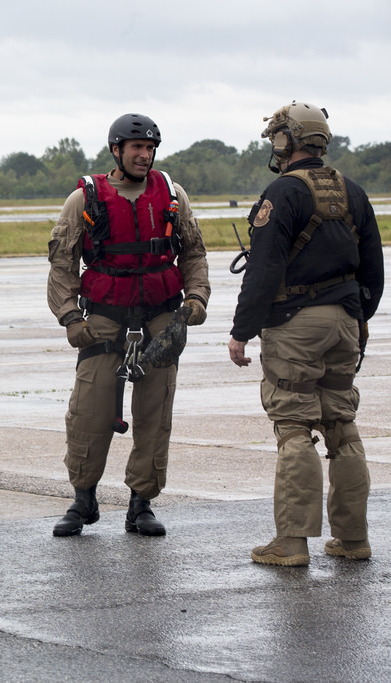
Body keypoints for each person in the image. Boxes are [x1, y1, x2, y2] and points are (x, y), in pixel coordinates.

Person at [229, 102, 384, 566]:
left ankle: (291, 543)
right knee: (343, 426)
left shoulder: (282, 193)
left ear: (285, 141)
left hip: (297, 324)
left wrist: (242, 331)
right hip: (347, 321)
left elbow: (264, 268)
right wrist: (357, 317)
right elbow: (373, 269)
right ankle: (353, 539)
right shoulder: (352, 191)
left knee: (294, 427)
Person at [46, 113, 211, 537]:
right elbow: (62, 264)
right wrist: (70, 318)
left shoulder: (173, 196)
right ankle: (83, 499)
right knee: (89, 411)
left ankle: (142, 505)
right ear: (116, 150)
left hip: (161, 320)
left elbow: (193, 253)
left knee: (155, 416)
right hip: (104, 318)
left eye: (150, 147)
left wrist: (196, 298)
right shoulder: (84, 199)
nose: (144, 155)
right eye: (136, 147)